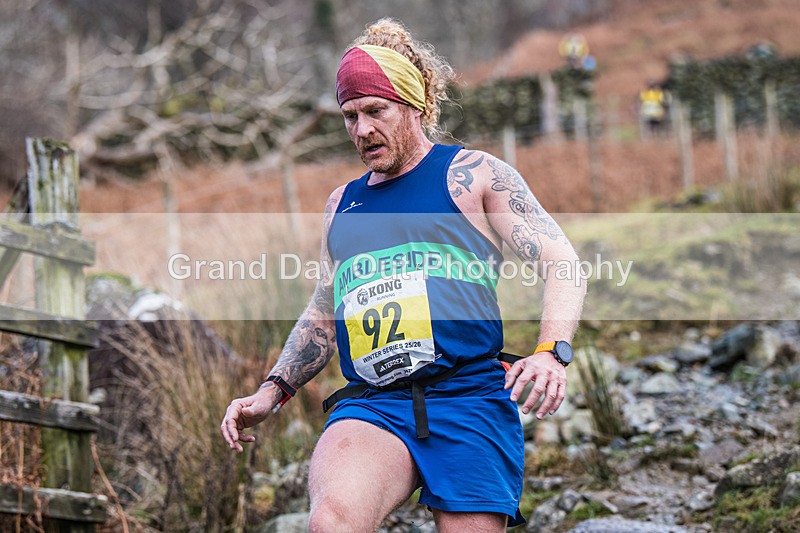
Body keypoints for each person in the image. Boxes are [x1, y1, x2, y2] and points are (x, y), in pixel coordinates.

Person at [221, 18, 586, 532]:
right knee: (332, 521)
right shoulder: (342, 205)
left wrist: (551, 353)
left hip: (468, 399)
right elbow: (325, 311)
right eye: (349, 116)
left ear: (414, 106)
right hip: (376, 405)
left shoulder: (474, 176)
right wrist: (272, 390)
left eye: (376, 110)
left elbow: (563, 264)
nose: (362, 129)